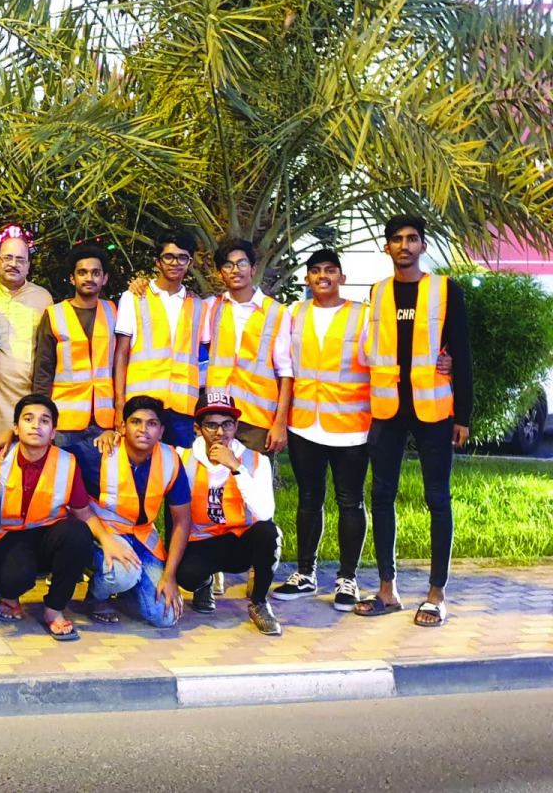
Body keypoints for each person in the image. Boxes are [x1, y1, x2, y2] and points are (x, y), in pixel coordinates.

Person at [355, 215, 472, 627]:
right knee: (382, 496)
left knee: (437, 499)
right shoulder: (378, 291)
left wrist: (464, 415)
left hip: (434, 411)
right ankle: (388, 590)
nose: (404, 246)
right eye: (396, 240)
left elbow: (461, 351)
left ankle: (437, 593)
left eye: (411, 239)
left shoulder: (445, 290)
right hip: (387, 409)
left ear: (422, 246)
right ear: (387, 248)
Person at [0, 394, 130, 641]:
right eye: (28, 419)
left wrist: (106, 539)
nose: (36, 425)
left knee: (78, 533)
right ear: (16, 428)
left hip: (49, 537)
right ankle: (7, 595)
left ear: (53, 432)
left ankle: (54, 609)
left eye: (44, 421)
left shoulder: (67, 462)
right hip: (9, 540)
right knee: (13, 579)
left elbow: (83, 511)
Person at [271, 250, 371, 611]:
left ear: (341, 277)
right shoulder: (293, 314)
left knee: (350, 501)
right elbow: (284, 366)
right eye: (315, 271)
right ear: (308, 279)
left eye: (330, 270)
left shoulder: (363, 315)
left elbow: (384, 359)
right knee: (309, 498)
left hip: (351, 426)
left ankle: (348, 578)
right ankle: (305, 574)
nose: (322, 276)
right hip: (304, 424)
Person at [77, 396, 192, 627]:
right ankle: (96, 596)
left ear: (161, 431)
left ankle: (129, 587)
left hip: (142, 538)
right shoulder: (98, 451)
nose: (143, 430)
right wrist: (10, 434)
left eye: (151, 424)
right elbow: (49, 453)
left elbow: (182, 521)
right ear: (122, 426)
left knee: (165, 617)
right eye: (136, 422)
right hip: (101, 535)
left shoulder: (170, 459)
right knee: (123, 574)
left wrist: (170, 577)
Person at [176, 392, 283, 635]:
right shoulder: (182, 459)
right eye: (211, 425)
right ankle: (204, 582)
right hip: (201, 541)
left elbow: (265, 512)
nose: (220, 432)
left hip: (240, 541)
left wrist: (235, 466)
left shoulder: (255, 461)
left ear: (236, 426)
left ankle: (259, 603)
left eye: (227, 424)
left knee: (269, 531)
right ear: (197, 428)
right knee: (187, 576)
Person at [113, 230, 209, 448]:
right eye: (168, 257)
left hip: (183, 407)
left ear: (190, 263)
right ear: (157, 261)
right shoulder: (134, 297)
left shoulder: (198, 305)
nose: (175, 263)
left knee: (178, 471)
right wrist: (120, 406)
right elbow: (121, 354)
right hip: (142, 406)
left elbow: (204, 356)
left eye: (182, 257)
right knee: (142, 472)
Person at [203, 239, 293, 455]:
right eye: (227, 265)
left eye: (242, 263)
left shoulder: (276, 313)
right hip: (217, 416)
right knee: (216, 485)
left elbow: (286, 373)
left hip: (257, 420)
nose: (235, 270)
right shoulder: (210, 308)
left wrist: (280, 423)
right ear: (219, 273)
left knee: (254, 484)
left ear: (252, 269)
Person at [32, 245, 117, 461]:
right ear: (72, 278)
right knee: (62, 482)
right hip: (64, 422)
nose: (89, 278)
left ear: (104, 278)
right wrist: (43, 417)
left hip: (105, 422)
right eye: (82, 272)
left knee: (103, 483)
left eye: (96, 273)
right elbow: (43, 369)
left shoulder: (115, 312)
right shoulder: (55, 314)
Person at [0, 232, 53, 438]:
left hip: (27, 395)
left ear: (28, 265)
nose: (14, 264)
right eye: (8, 258)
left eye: (20, 259)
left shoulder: (43, 298)